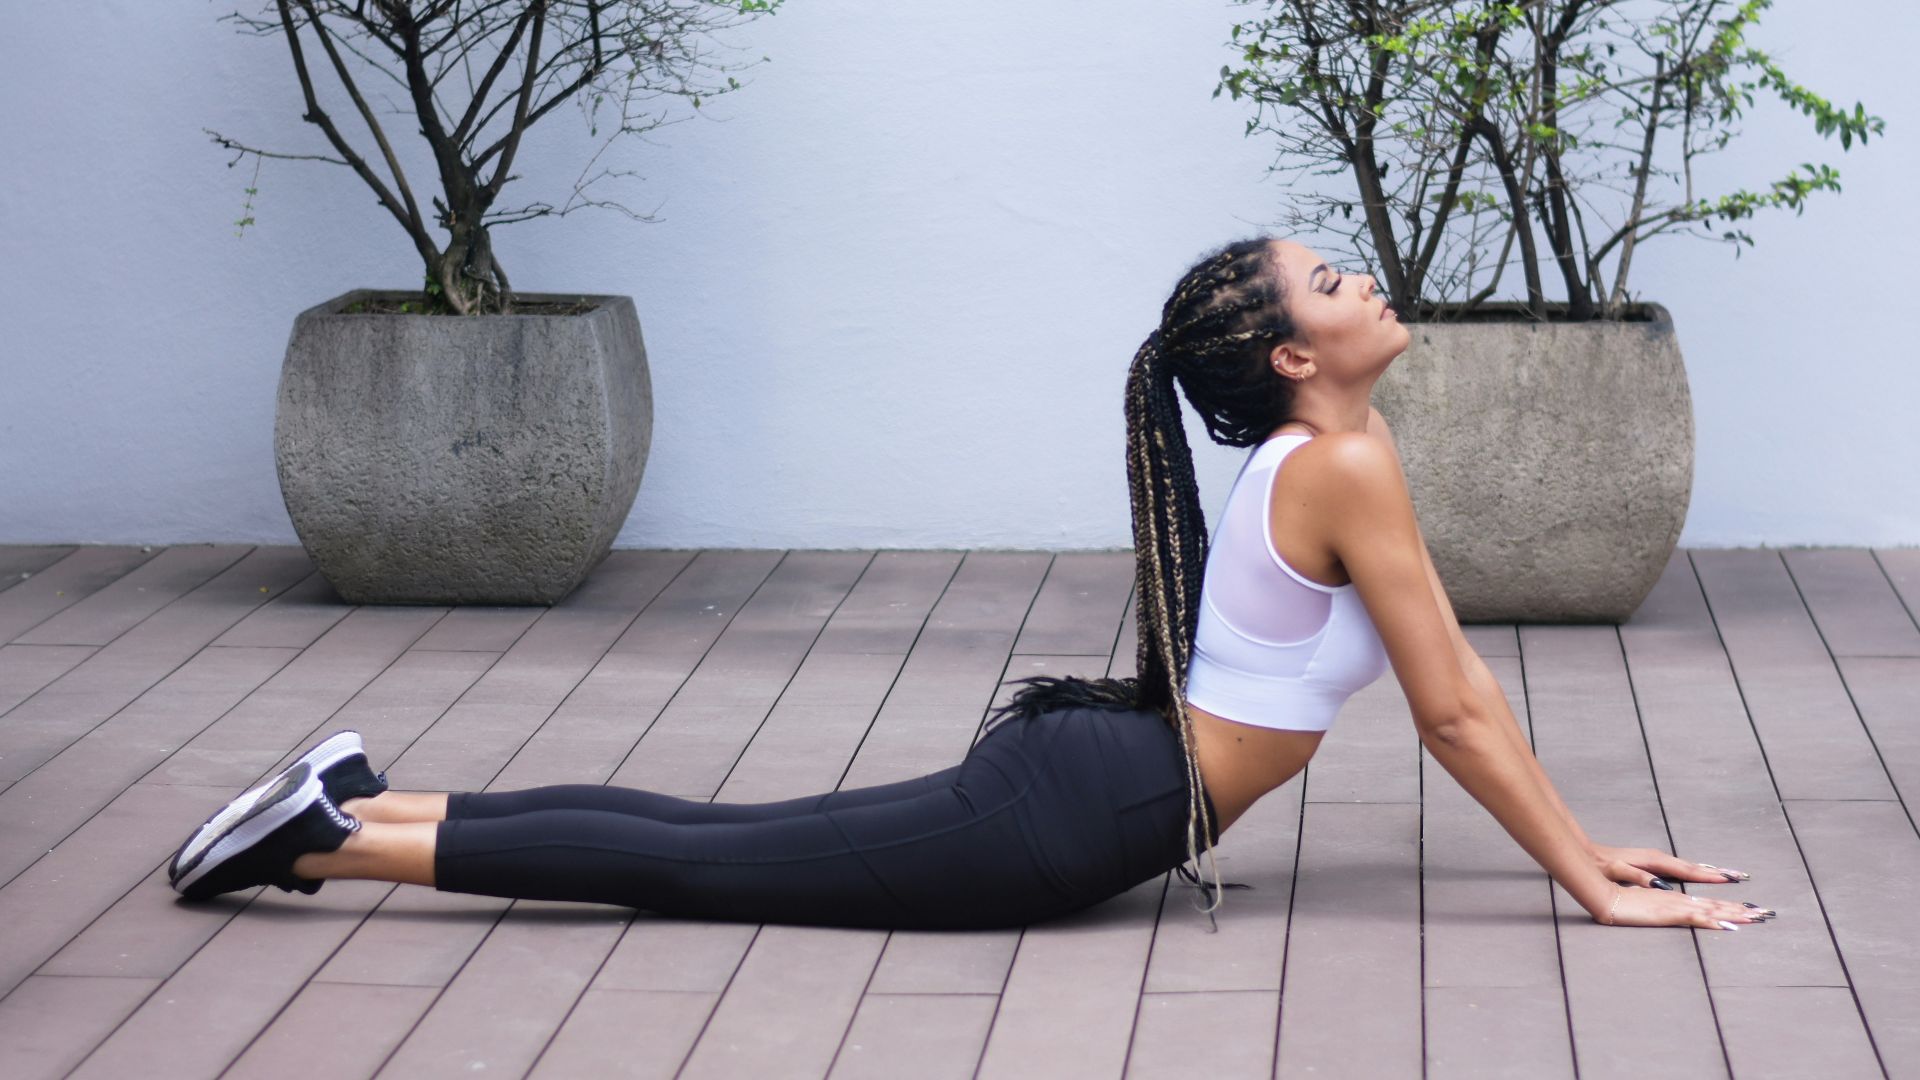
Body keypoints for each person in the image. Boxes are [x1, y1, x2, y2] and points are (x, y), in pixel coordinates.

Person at [168, 236, 1775, 934]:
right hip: (1074, 817)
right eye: (1332, 279)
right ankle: (328, 847)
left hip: (1101, 793)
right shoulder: (1344, 462)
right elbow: (1455, 709)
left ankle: (355, 808)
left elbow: (1461, 709)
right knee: (710, 865)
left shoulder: (1330, 458)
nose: (1364, 276)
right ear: (1296, 356)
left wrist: (1586, 851)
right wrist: (1585, 877)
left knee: (717, 847)